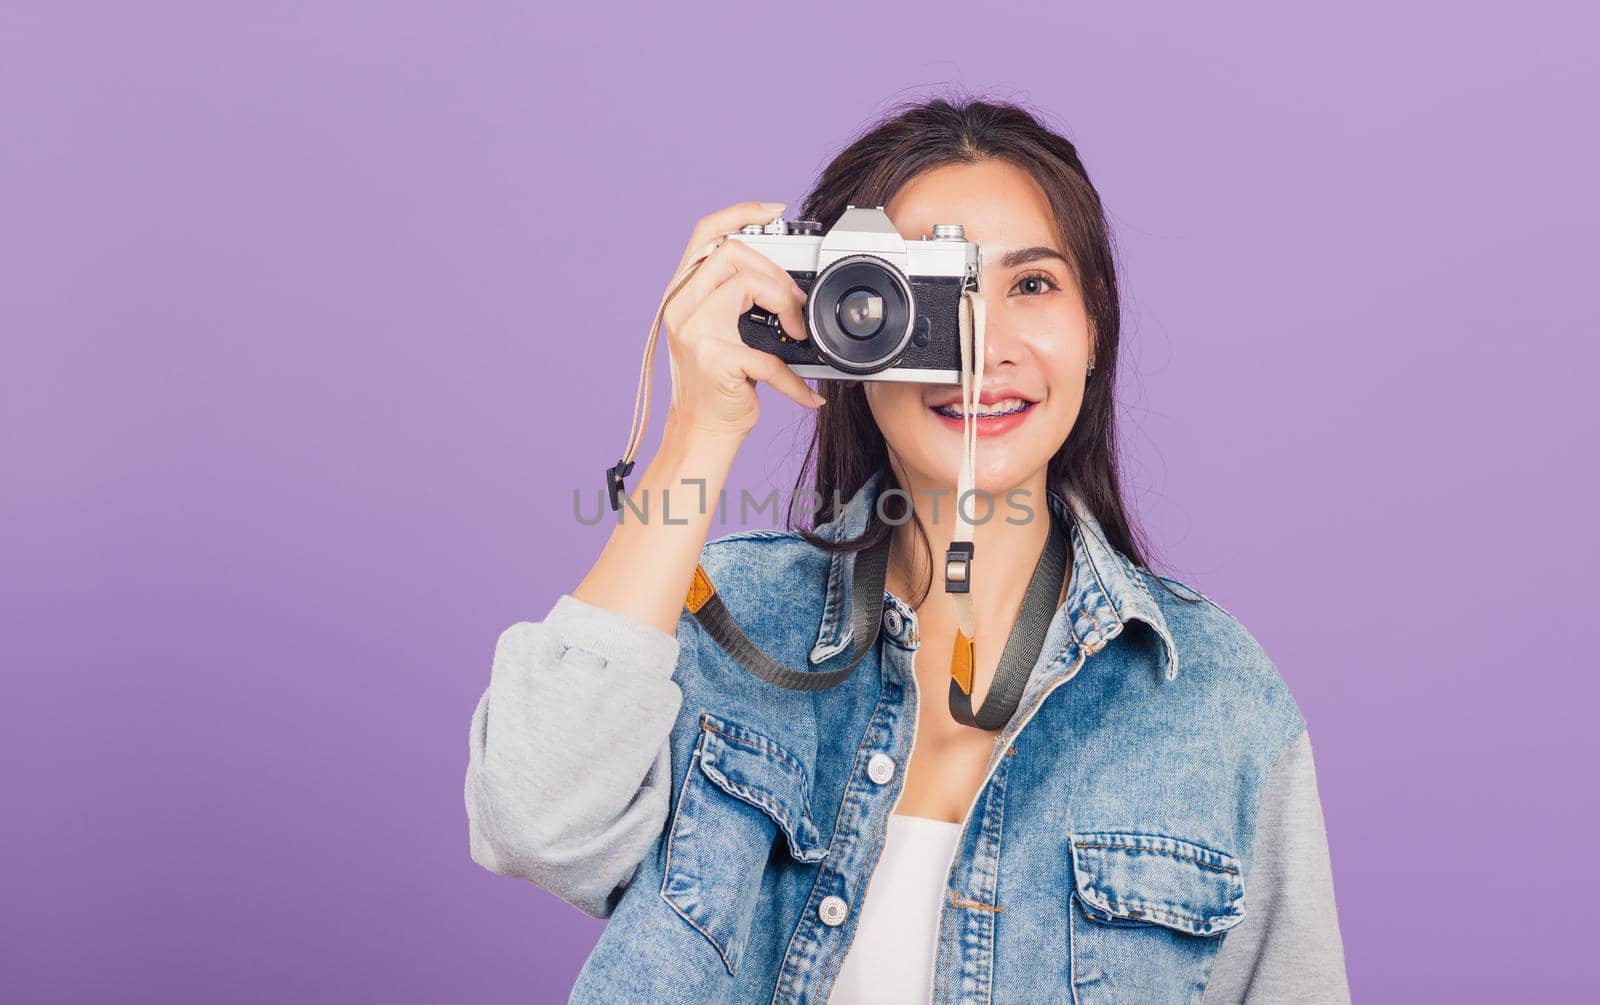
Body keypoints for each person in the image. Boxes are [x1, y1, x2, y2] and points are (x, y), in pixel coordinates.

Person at [464, 95, 1351, 1004]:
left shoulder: (1216, 700)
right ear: (837, 323)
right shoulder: (713, 619)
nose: (981, 346)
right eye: (928, 291)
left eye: (1032, 286)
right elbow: (534, 824)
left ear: (1094, 331)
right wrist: (698, 428)